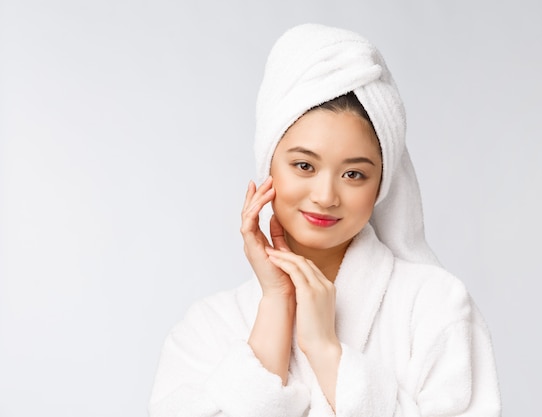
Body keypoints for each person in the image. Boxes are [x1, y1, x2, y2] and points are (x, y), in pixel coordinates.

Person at [149, 23, 501, 417]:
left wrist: (325, 350)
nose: (326, 196)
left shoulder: (435, 305)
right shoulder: (208, 326)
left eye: (354, 174)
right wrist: (275, 307)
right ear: (269, 166)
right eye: (303, 165)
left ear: (381, 183)